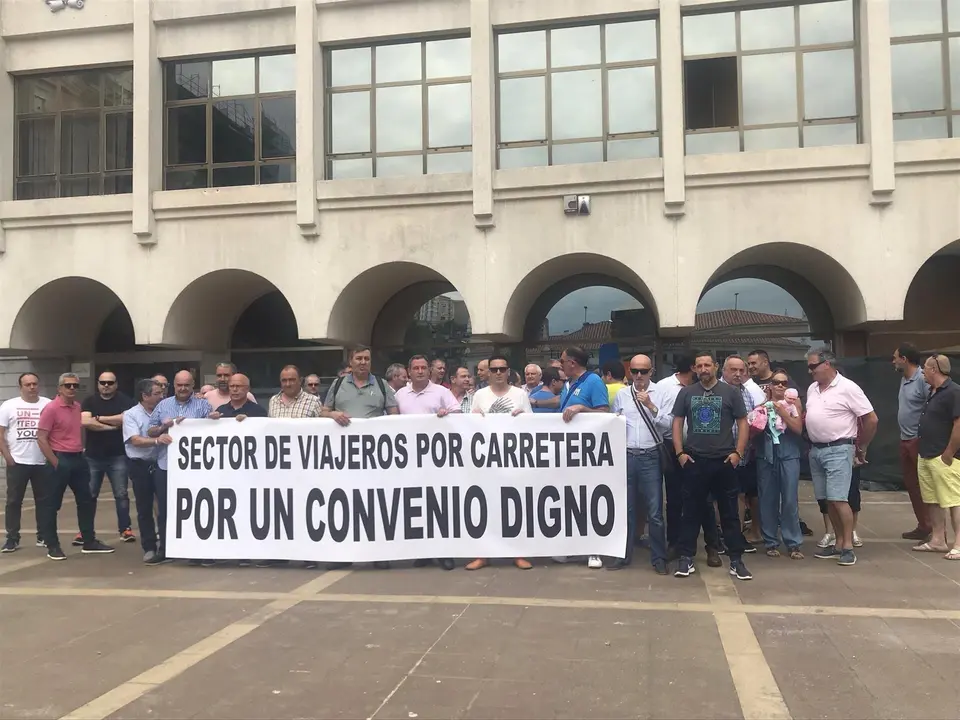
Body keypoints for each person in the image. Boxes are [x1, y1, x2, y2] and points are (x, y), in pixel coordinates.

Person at [671, 352, 752, 581]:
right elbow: (677, 422)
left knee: (729, 514)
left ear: (715, 367)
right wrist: (680, 453)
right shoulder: (686, 393)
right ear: (695, 369)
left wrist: (738, 452)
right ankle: (686, 558)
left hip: (724, 461)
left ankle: (736, 560)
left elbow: (742, 422)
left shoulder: (731, 393)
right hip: (695, 461)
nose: (704, 369)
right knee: (691, 513)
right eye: (699, 365)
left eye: (708, 365)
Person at [805, 350, 878, 567]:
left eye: (813, 366)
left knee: (839, 499)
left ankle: (848, 546)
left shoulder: (848, 387)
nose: (810, 371)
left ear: (827, 364)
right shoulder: (812, 389)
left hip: (839, 448)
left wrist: (861, 446)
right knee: (827, 501)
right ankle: (838, 544)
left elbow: (871, 419)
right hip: (816, 449)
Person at [36, 373, 115, 560]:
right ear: (59, 388)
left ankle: (89, 541)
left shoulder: (77, 407)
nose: (72, 389)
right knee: (52, 505)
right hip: (60, 458)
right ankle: (52, 545)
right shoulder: (51, 409)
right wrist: (55, 462)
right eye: (68, 386)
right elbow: (41, 437)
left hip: (79, 458)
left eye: (75, 386)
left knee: (86, 501)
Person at [467, 354, 533, 571]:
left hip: (513, 460)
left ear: (508, 371)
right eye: (493, 369)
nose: (497, 373)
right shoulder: (479, 395)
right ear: (487, 373)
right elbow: (469, 427)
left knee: (515, 507)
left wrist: (523, 416)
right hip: (486, 461)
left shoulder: (520, 394)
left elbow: (533, 425)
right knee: (486, 507)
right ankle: (483, 554)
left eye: (501, 369)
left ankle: (517, 553)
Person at [396, 355, 461, 571]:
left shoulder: (442, 392)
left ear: (429, 370)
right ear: (409, 371)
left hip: (438, 461)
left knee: (441, 506)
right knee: (417, 506)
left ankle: (445, 553)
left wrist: (446, 415)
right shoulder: (400, 394)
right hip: (411, 461)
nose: (421, 371)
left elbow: (458, 413)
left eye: (424, 367)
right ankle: (423, 551)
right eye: (416, 368)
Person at [610, 354, 670, 574]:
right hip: (627, 455)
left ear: (651, 372)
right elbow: (613, 424)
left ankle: (659, 558)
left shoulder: (661, 393)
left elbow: (669, 424)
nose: (638, 376)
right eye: (634, 371)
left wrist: (651, 406)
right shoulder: (622, 395)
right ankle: (623, 555)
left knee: (655, 511)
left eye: (643, 371)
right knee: (626, 509)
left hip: (650, 456)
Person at [148, 370, 213, 566]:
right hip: (166, 465)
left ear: (193, 385)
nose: (183, 388)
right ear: (173, 386)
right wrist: (162, 428)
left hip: (195, 468)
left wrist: (213, 420)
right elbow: (150, 430)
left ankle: (197, 551)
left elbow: (212, 430)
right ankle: (165, 549)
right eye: (179, 385)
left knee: (195, 508)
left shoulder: (203, 405)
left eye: (187, 385)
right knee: (166, 510)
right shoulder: (163, 405)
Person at [558, 346, 611, 568]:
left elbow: (606, 413)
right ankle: (572, 547)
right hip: (568, 452)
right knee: (570, 500)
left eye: (562, 362)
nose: (560, 365)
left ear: (572, 362)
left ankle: (594, 549)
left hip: (589, 452)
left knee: (589, 499)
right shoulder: (567, 385)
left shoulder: (594, 382)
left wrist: (583, 409)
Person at [80, 370, 136, 545]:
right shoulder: (89, 400)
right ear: (98, 384)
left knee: (121, 494)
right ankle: (85, 532)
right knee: (90, 495)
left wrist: (99, 418)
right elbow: (85, 422)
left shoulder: (125, 400)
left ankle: (125, 529)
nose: (106, 386)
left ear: (116, 384)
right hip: (93, 456)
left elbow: (126, 419)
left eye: (110, 383)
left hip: (118, 455)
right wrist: (111, 427)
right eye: (103, 382)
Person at [754, 369, 805, 560]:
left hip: (789, 454)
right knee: (767, 498)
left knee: (790, 499)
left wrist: (782, 412)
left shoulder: (794, 404)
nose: (780, 386)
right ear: (770, 385)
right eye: (776, 382)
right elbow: (753, 429)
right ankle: (770, 541)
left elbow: (799, 429)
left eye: (784, 383)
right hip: (766, 455)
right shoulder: (762, 404)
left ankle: (793, 542)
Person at [913, 354, 960, 559]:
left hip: (943, 457)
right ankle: (938, 540)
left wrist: (948, 453)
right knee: (932, 500)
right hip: (926, 454)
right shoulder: (932, 392)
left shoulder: (954, 392)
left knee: (953, 501)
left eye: (925, 368)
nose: (922, 371)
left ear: (934, 370)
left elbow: (959, 424)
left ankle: (959, 544)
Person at [0, 373, 51, 552]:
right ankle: (12, 538)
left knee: (44, 501)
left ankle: (43, 536)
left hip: (41, 462)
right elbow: (1, 433)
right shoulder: (9, 406)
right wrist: (7, 456)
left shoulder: (47, 404)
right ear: (20, 386)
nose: (32, 387)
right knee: (13, 501)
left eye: (35, 384)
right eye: (27, 384)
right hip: (18, 461)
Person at [123, 378, 171, 565]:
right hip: (140, 465)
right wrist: (158, 441)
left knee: (166, 508)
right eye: (157, 393)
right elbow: (135, 440)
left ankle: (166, 547)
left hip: (160, 463)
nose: (162, 396)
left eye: (162, 392)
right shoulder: (131, 414)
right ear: (145, 396)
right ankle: (149, 547)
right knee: (144, 508)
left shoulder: (165, 410)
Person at [893, 343, 932, 541]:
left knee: (925, 485)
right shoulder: (904, 379)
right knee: (912, 485)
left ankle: (935, 528)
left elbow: (932, 406)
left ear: (904, 359)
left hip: (918, 440)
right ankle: (923, 525)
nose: (893, 361)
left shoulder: (922, 379)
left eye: (895, 357)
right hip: (905, 439)